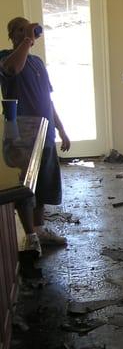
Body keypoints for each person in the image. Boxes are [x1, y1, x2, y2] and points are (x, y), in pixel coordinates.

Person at [0, 17, 70, 256]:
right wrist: (28, 40)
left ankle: (39, 230)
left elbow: (48, 100)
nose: (25, 33)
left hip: (45, 130)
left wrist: (61, 129)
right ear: (12, 35)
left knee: (44, 184)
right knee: (24, 186)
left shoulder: (38, 63)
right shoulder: (5, 58)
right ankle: (30, 237)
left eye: (27, 29)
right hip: (21, 132)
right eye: (19, 30)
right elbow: (12, 69)